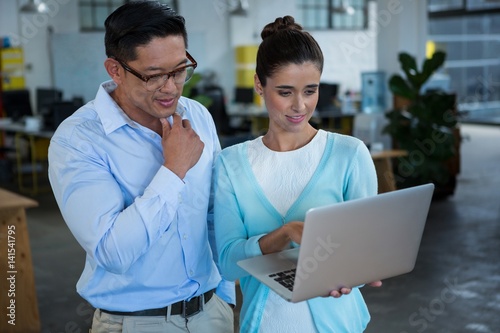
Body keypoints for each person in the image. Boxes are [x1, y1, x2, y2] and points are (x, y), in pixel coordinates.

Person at [48, 2, 234, 332]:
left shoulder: (196, 116)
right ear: (115, 70)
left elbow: (213, 213)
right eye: (153, 75)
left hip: (211, 313)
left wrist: (226, 296)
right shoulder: (79, 139)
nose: (171, 87)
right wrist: (174, 170)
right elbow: (112, 252)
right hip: (137, 323)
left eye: (179, 70)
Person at [213, 16, 382, 333]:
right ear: (259, 85)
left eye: (310, 90)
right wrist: (285, 233)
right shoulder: (230, 164)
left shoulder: (350, 154)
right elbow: (227, 263)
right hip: (264, 325)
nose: (300, 106)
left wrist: (356, 274)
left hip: (339, 324)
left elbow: (363, 253)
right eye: (285, 92)